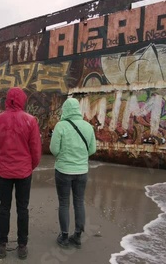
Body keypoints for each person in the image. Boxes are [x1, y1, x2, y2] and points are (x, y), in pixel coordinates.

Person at [0, 87, 42, 260]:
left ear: (7, 100)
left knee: (4, 207)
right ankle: (22, 245)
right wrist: (29, 166)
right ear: (22, 100)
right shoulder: (30, 120)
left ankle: (2, 244)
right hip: (24, 171)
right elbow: (35, 150)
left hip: (4, 171)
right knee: (23, 208)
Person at [50, 97, 96, 249]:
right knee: (79, 201)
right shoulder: (88, 127)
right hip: (82, 171)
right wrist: (81, 158)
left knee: (64, 202)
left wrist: (64, 157)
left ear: (65, 109)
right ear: (78, 110)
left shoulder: (61, 126)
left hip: (63, 170)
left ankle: (63, 237)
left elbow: (54, 149)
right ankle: (77, 236)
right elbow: (92, 149)